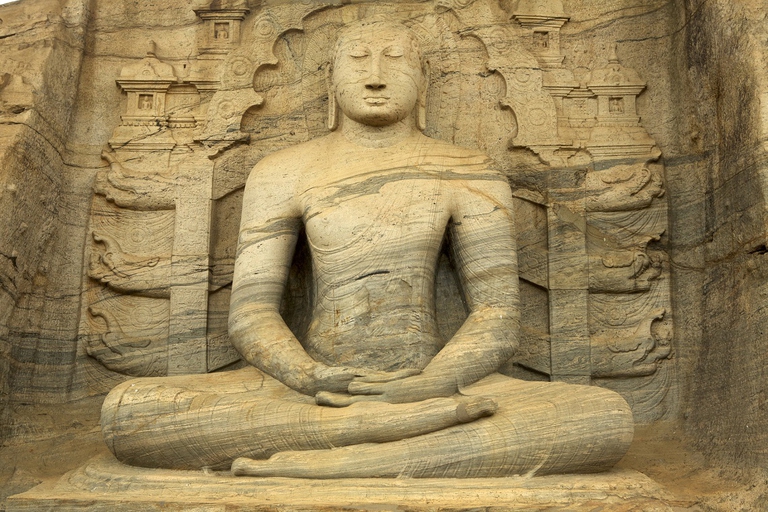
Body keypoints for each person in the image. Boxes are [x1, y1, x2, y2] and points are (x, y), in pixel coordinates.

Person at [100, 19, 633, 478]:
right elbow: (252, 313)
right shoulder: (282, 171)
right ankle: (395, 441)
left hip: (434, 385)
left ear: (423, 81)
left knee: (601, 417)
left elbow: (496, 315)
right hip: (310, 392)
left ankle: (330, 456)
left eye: (395, 60)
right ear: (331, 82)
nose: (375, 75)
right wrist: (308, 375)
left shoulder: (469, 171)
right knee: (130, 412)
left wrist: (429, 385)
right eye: (357, 60)